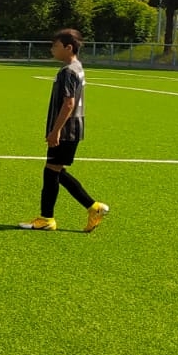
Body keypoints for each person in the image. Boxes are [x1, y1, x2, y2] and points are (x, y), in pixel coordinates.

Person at [20, 29, 109, 233]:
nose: (52, 49)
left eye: (56, 46)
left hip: (66, 130)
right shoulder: (77, 67)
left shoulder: (68, 71)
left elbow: (68, 104)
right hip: (74, 128)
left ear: (68, 47)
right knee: (56, 171)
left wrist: (55, 131)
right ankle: (94, 208)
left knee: (51, 171)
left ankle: (46, 218)